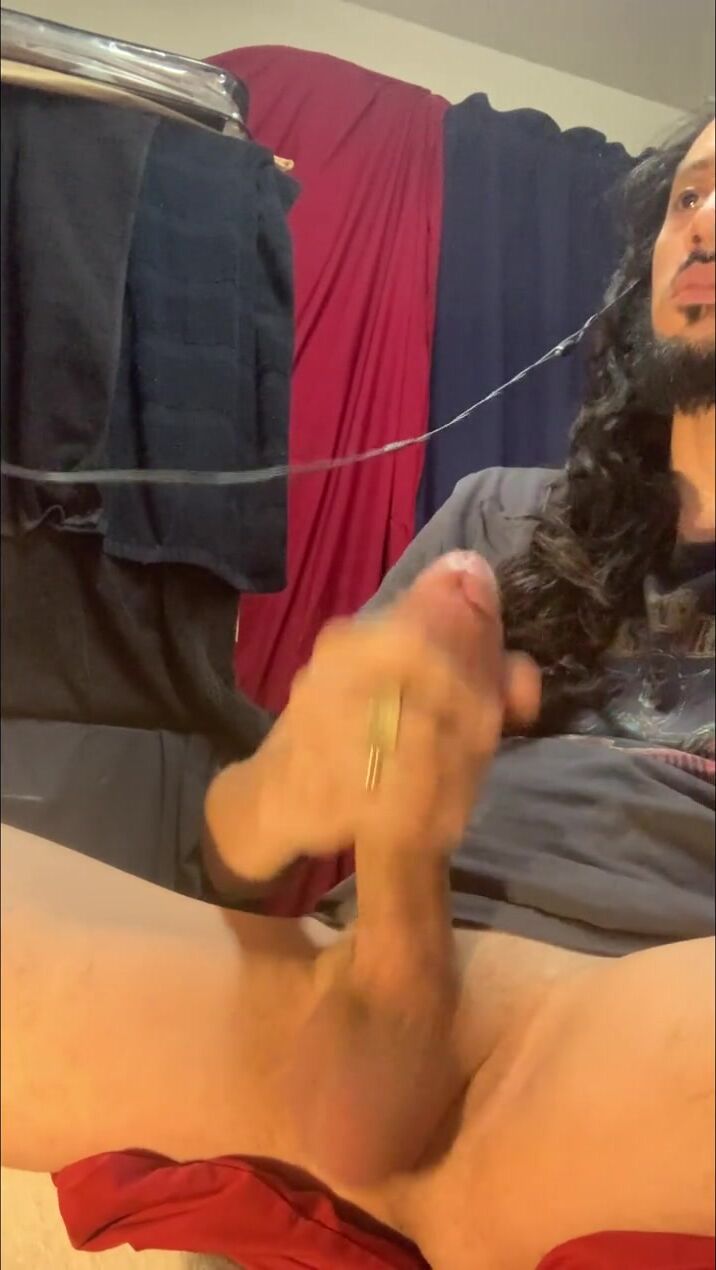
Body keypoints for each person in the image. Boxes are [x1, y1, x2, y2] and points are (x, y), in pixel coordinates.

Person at [2, 112, 714, 1270]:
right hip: (340, 980)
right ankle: (400, 960)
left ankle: (408, 1133)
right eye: (687, 196)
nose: (704, 223)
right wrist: (330, 785)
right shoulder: (499, 520)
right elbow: (232, 855)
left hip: (626, 1034)